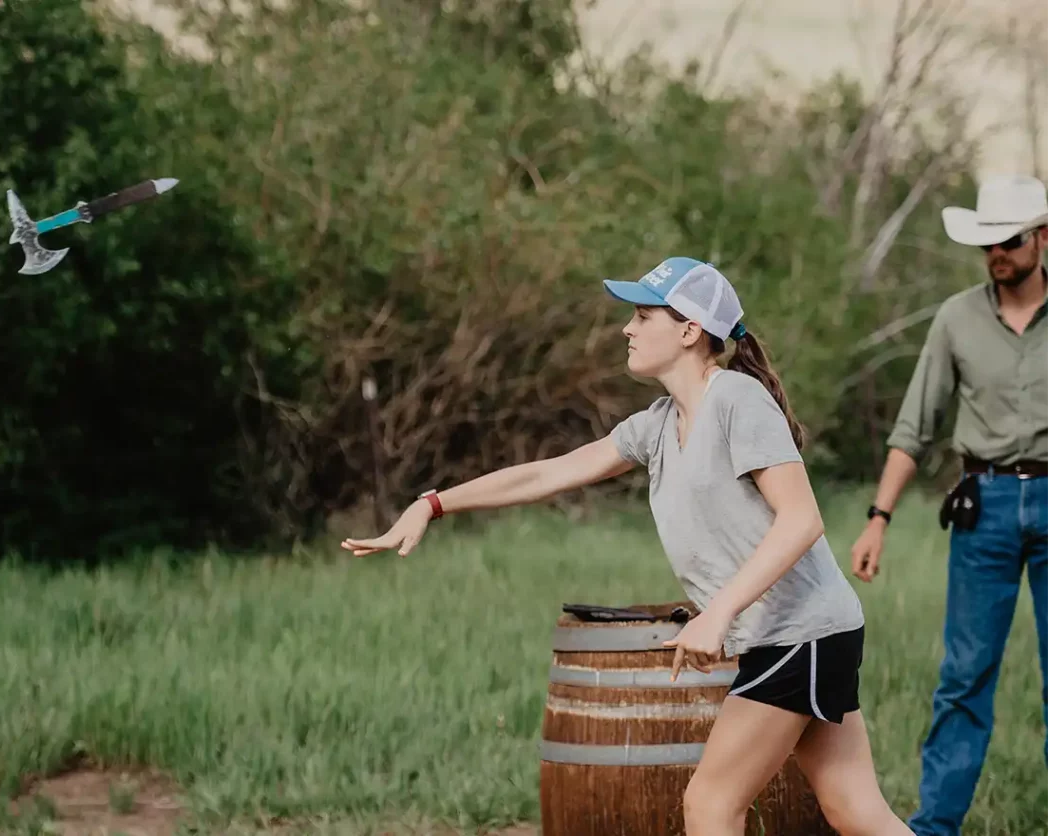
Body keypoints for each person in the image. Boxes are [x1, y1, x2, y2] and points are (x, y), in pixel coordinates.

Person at [342, 256, 911, 835]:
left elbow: (802, 520)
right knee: (854, 810)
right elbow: (548, 474)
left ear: (690, 331)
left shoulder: (737, 401)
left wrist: (718, 613)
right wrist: (433, 503)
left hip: (799, 634)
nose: (626, 329)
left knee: (711, 805)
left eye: (643, 315)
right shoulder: (658, 424)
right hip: (810, 634)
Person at [850, 173, 1048, 836]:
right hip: (984, 505)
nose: (996, 252)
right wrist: (879, 518)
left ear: (1041, 240)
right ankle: (935, 826)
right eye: (987, 241)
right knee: (964, 677)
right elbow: (915, 426)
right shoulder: (956, 318)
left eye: (1010, 240)